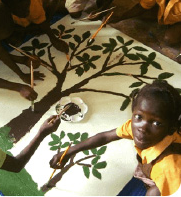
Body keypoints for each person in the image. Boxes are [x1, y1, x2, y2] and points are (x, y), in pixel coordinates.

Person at [49, 80, 181, 196]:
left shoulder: (168, 167)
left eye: (156, 123)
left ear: (171, 129)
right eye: (138, 116)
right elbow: (105, 137)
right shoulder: (139, 127)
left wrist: (154, 187)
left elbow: (163, 190)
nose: (142, 128)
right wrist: (70, 151)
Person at [0, 0, 69, 54]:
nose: (26, 12)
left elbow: (43, 22)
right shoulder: (0, 9)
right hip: (18, 25)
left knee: (61, 7)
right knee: (14, 41)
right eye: (21, 10)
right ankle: (31, 28)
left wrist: (53, 39)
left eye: (27, 7)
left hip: (37, 10)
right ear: (8, 8)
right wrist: (28, 29)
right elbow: (9, 28)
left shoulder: (31, 3)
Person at [109, 0, 181, 50]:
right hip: (167, 13)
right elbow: (143, 6)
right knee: (138, 14)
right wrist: (121, 17)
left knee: (169, 39)